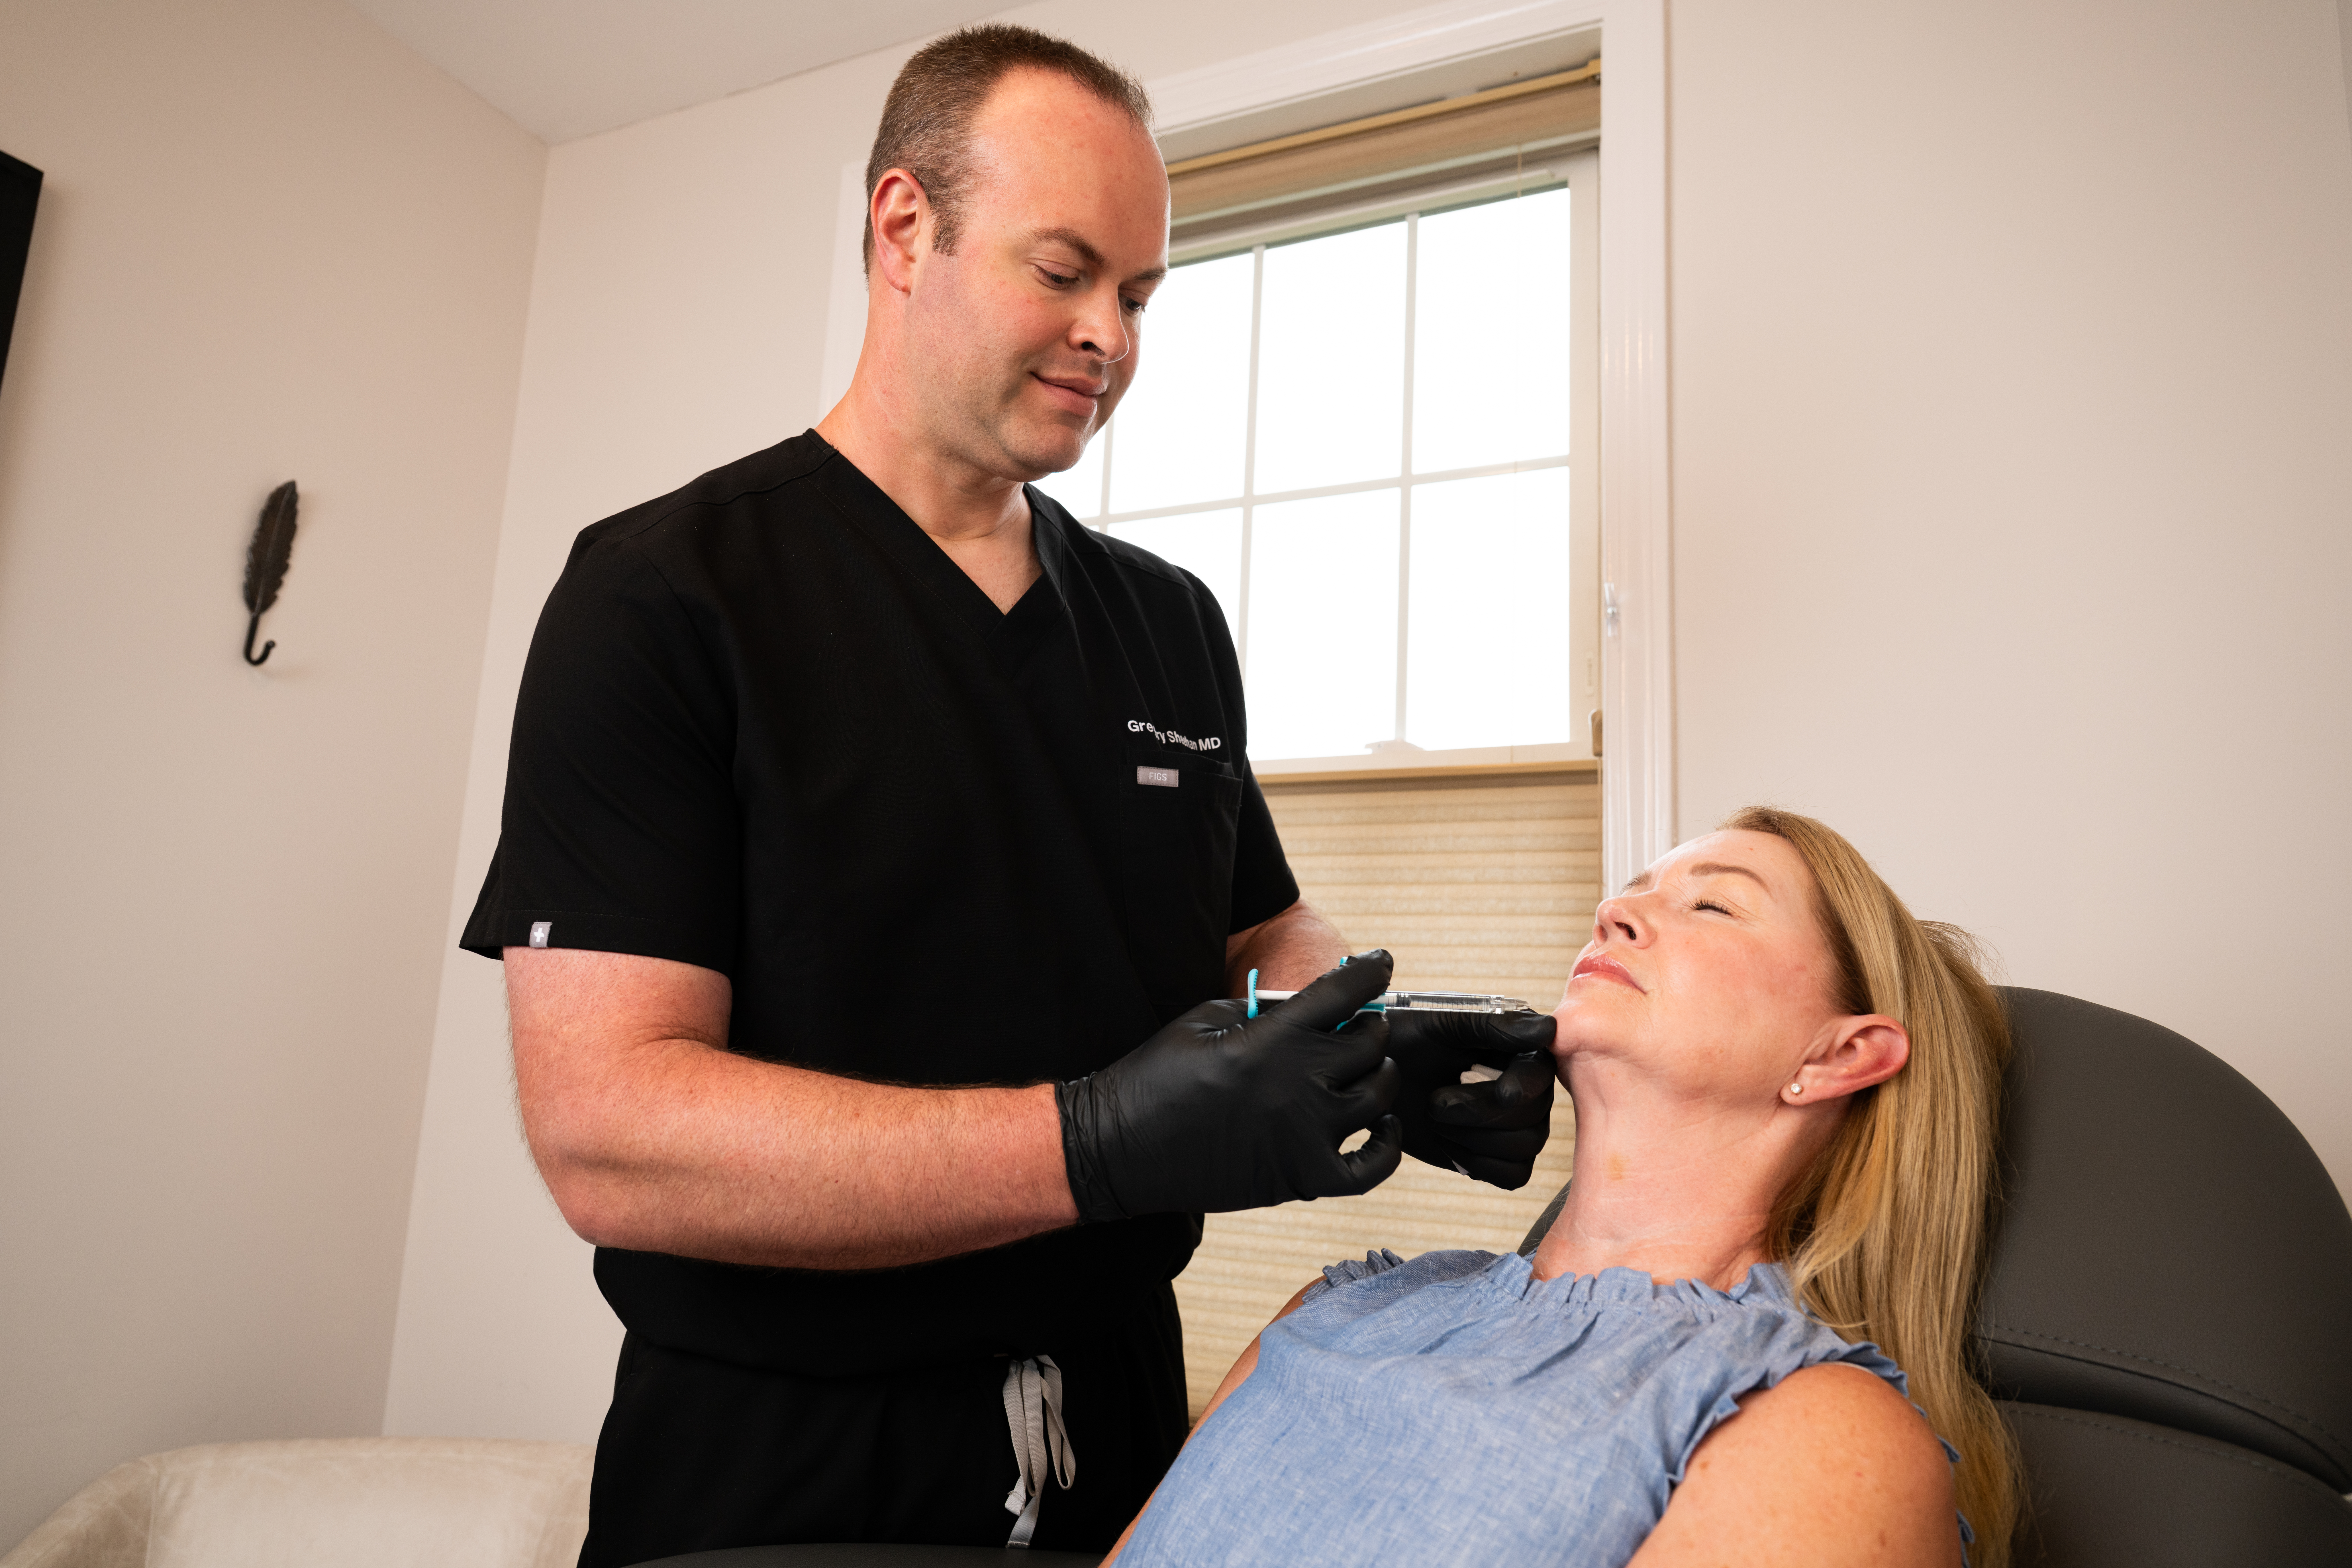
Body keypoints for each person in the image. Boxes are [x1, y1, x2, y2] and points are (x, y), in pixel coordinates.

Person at [458, 24, 1556, 1567]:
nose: (1110, 334)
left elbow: (1262, 928)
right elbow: (608, 1131)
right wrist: (1093, 1142)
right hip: (789, 1447)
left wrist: (1380, 1040)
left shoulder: (1169, 623)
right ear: (908, 228)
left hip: (1126, 1423)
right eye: (1065, 271)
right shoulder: (666, 595)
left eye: (1142, 293)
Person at [1105, 807, 2024, 1568]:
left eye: (1713, 906)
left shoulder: (1814, 1430)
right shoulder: (1345, 1305)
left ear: (1840, 1054)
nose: (1611, 914)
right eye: (1629, 893)